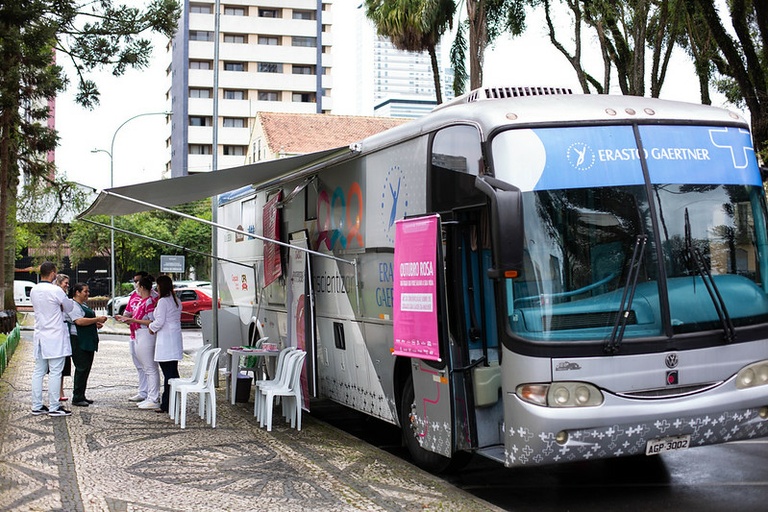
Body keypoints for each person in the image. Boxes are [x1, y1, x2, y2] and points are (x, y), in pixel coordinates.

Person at [30, 262, 75, 417]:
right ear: (53, 273)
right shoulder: (56, 290)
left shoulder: (34, 289)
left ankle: (36, 405)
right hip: (55, 335)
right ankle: (54, 407)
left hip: (40, 334)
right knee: (56, 371)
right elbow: (69, 307)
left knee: (39, 371)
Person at [117, 276, 160, 409]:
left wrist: (134, 320)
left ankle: (153, 397)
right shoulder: (142, 301)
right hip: (138, 334)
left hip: (146, 334)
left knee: (150, 368)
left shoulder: (149, 302)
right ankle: (148, 395)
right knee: (145, 367)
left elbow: (152, 321)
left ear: (142, 287)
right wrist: (126, 319)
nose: (136, 288)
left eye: (138, 285)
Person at [69, 283, 108, 407]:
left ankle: (82, 394)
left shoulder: (83, 305)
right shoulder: (73, 306)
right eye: (85, 291)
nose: (88, 294)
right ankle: (77, 396)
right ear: (77, 292)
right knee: (81, 368)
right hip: (79, 340)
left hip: (88, 339)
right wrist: (96, 319)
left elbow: (86, 320)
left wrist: (94, 324)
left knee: (86, 368)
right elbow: (79, 321)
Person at [149, 275, 184, 414]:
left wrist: (151, 327)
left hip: (166, 341)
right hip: (174, 339)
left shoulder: (163, 301)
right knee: (173, 372)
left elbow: (159, 321)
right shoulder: (176, 300)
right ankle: (172, 401)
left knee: (169, 374)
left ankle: (167, 404)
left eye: (157, 285)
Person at [55, 274, 73, 402]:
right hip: (58, 333)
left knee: (63, 365)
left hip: (64, 331)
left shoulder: (64, 296)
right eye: (65, 283)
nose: (67, 285)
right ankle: (57, 392)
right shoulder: (57, 295)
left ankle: (60, 391)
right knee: (57, 366)